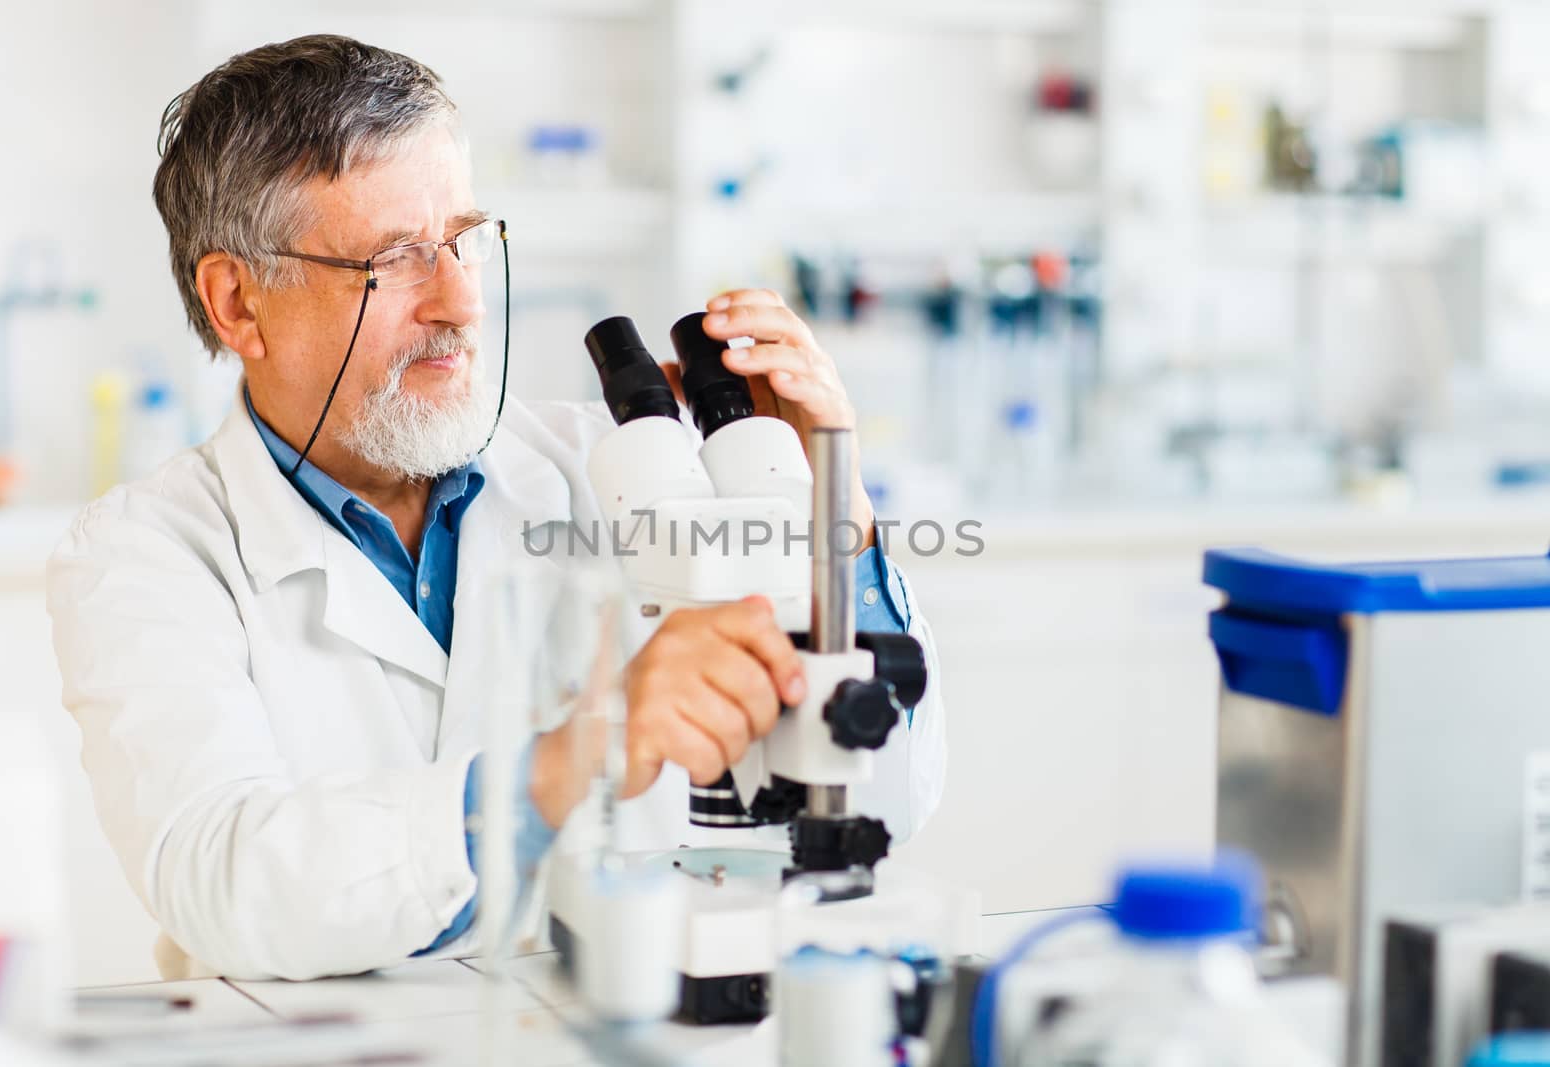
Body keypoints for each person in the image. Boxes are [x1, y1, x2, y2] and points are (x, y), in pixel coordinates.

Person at [46, 34, 945, 982]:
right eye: (395, 259)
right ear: (236, 302)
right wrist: (584, 750)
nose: (461, 301)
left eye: (467, 242)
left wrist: (831, 507)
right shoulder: (145, 553)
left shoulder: (625, 470)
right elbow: (224, 880)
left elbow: (887, 799)